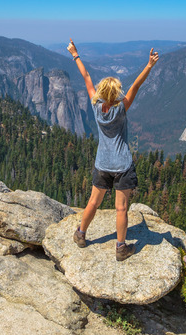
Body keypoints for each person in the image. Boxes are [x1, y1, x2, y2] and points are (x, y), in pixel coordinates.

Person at [67, 39, 159, 261]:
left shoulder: (96, 106)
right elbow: (136, 86)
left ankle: (81, 234)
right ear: (116, 93)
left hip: (102, 165)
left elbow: (86, 77)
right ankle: (120, 248)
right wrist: (149, 65)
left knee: (93, 202)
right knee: (121, 209)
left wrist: (75, 54)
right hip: (122, 166)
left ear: (101, 92)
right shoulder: (121, 109)